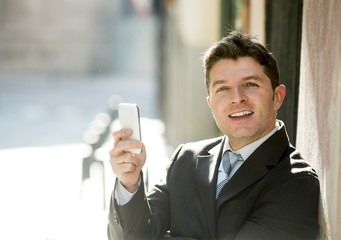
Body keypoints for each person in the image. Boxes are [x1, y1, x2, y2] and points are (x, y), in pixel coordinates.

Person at [107, 31, 320, 240]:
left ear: (277, 97)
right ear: (210, 103)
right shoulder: (186, 158)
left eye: (250, 84)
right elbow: (134, 236)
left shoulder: (296, 181)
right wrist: (129, 183)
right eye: (223, 89)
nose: (237, 98)